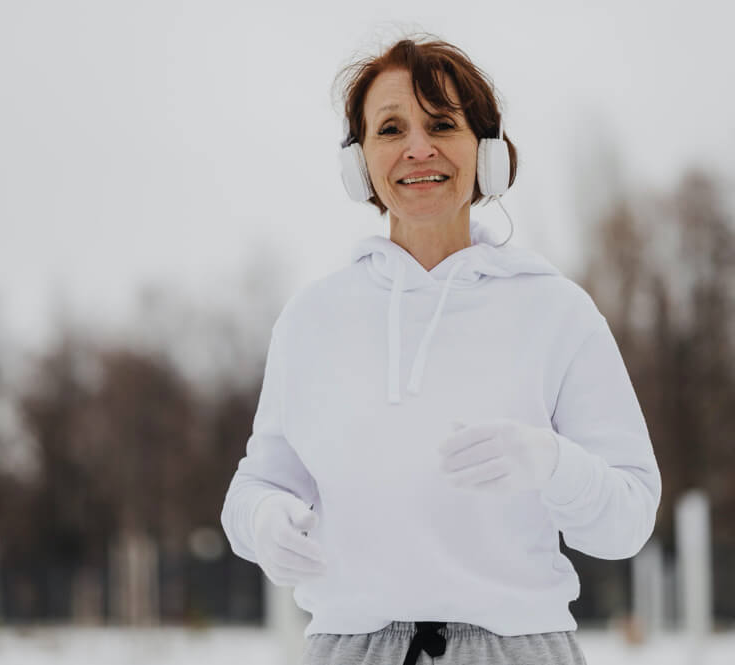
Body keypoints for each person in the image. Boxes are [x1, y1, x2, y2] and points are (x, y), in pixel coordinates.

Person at [219, 33, 661, 665]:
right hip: (348, 650)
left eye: (442, 124)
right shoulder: (310, 320)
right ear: (359, 162)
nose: (417, 148)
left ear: (486, 152)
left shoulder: (558, 312)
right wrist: (262, 521)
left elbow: (629, 520)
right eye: (391, 129)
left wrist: (554, 464)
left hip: (515, 651)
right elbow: (252, 491)